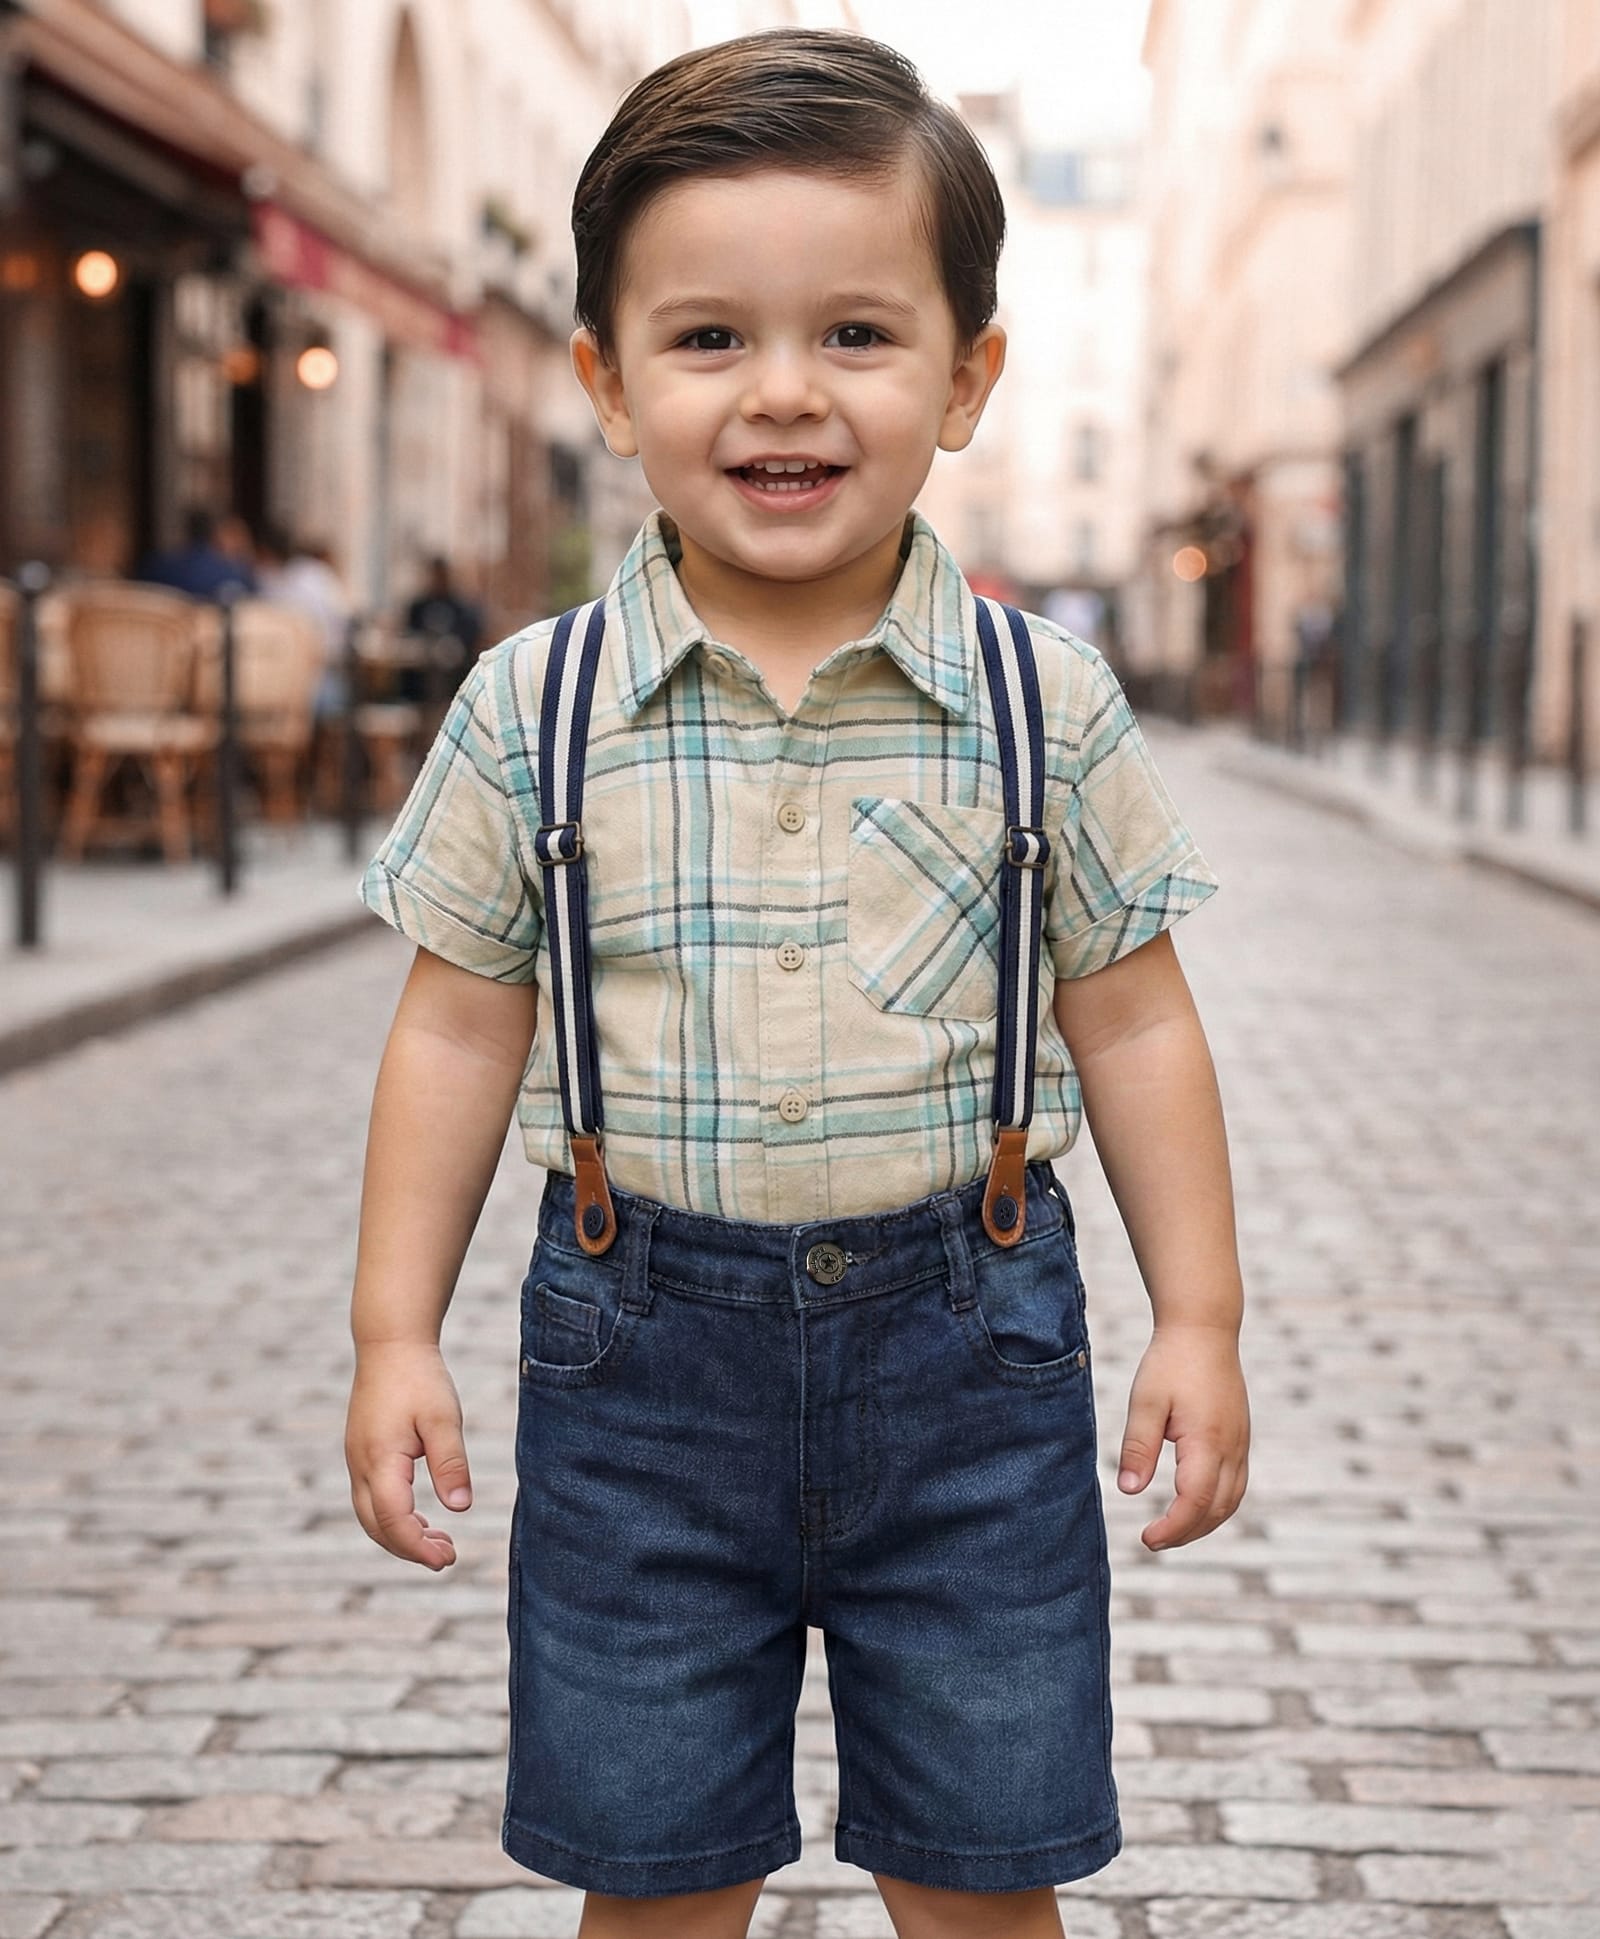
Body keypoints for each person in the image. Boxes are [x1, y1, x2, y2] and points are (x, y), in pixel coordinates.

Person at [345, 28, 1250, 1939]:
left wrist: (1203, 1317)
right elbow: (453, 1020)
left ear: (967, 376)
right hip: (637, 1373)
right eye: (708, 339)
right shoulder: (537, 704)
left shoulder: (1043, 699)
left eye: (856, 333)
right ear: (605, 378)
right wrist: (390, 1331)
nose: (784, 395)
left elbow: (1137, 1014)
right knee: (659, 1871)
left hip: (974, 1364)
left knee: (984, 1867)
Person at [256, 526, 353, 720]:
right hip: (316, 681)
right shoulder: (316, 577)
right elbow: (344, 622)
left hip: (287, 687)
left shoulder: (270, 585)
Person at [399, 553, 482, 705]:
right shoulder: (418, 606)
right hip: (419, 672)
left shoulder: (461, 608)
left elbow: (469, 637)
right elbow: (409, 634)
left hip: (453, 674)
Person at [135, 507, 257, 601]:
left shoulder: (156, 563)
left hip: (162, 630)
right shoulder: (230, 573)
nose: (241, 542)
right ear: (217, 535)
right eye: (235, 536)